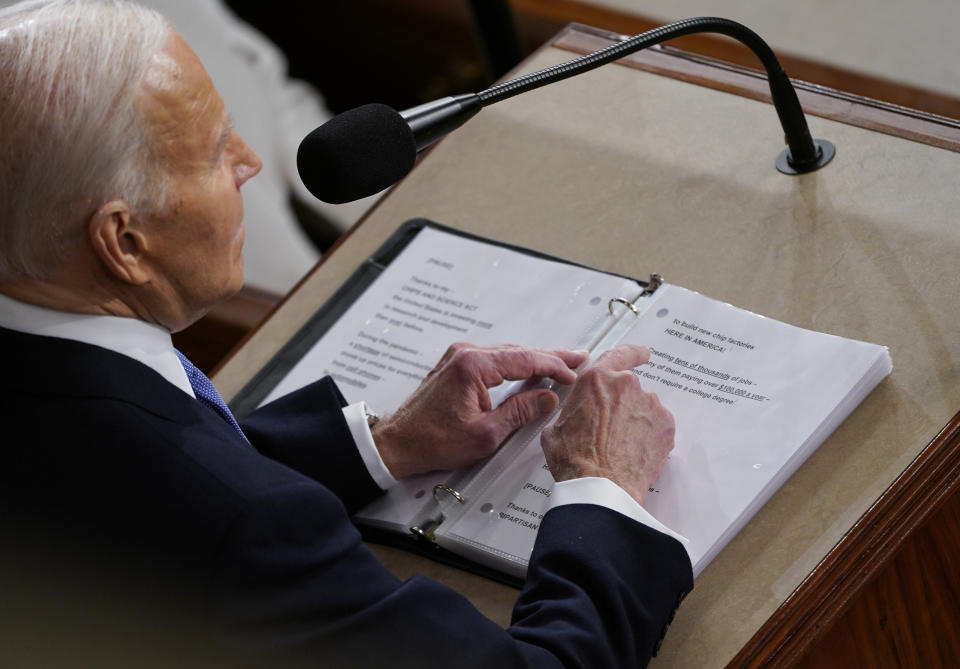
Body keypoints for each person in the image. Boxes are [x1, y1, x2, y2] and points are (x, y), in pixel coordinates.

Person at [0, 1, 693, 667]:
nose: (250, 162)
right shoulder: (251, 531)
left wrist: (384, 444)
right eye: (214, 153)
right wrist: (602, 485)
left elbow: (128, 495)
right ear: (125, 241)